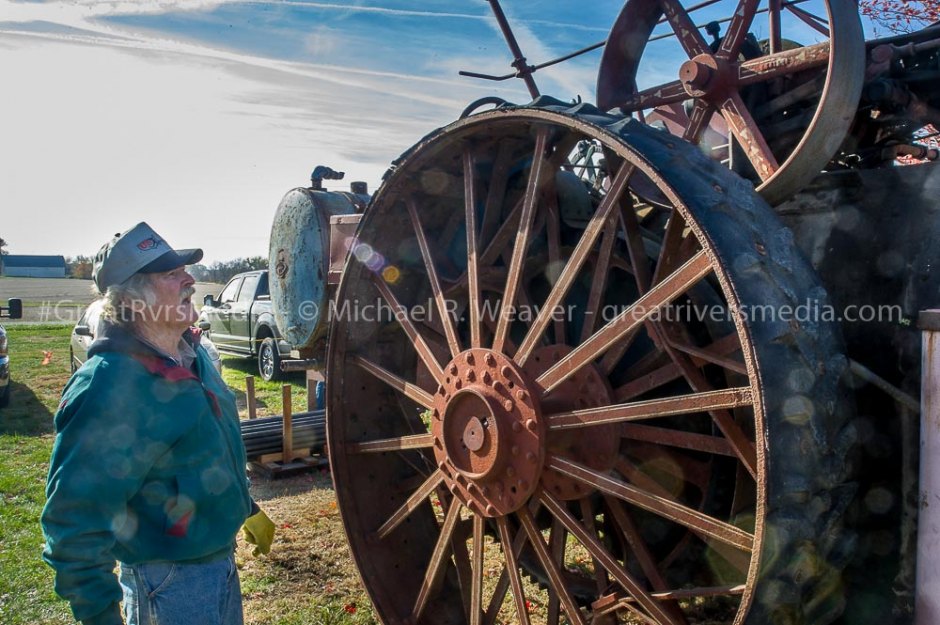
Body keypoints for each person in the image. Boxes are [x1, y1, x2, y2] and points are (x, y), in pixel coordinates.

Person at [41, 222, 275, 625]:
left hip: (219, 563)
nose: (190, 279)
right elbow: (74, 520)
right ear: (133, 301)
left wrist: (243, 507)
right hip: (167, 583)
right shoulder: (110, 385)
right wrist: (99, 615)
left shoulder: (192, 356)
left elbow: (204, 451)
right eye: (171, 274)